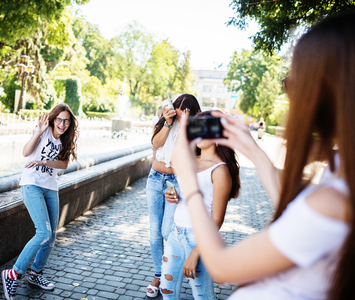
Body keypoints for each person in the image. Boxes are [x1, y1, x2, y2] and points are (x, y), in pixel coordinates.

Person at [170, 11, 355, 300]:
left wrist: (187, 180)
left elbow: (221, 267)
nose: (290, 95)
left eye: (293, 82)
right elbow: (294, 205)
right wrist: (254, 151)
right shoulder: (344, 171)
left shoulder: (334, 203)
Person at [1, 103, 78, 300]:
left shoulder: (64, 140)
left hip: (51, 187)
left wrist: (44, 162)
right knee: (42, 232)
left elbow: (63, 164)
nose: (62, 124)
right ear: (53, 119)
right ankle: (14, 273)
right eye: (60, 120)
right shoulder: (42, 131)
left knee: (51, 236)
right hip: (32, 184)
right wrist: (39, 132)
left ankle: (35, 274)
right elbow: (26, 152)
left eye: (67, 121)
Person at [160, 111, 240, 299]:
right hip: (176, 232)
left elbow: (217, 219)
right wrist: (173, 195)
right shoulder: (191, 160)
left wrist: (197, 252)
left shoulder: (220, 170)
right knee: (167, 290)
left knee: (202, 296)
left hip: (198, 238)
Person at [146, 94, 201, 298]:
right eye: (177, 106)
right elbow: (156, 144)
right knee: (154, 234)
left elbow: (188, 154)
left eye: (183, 109)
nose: (178, 111)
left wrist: (185, 125)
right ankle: (159, 275)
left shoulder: (194, 129)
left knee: (167, 231)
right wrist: (168, 123)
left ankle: (176, 270)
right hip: (154, 179)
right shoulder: (163, 122)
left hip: (175, 182)